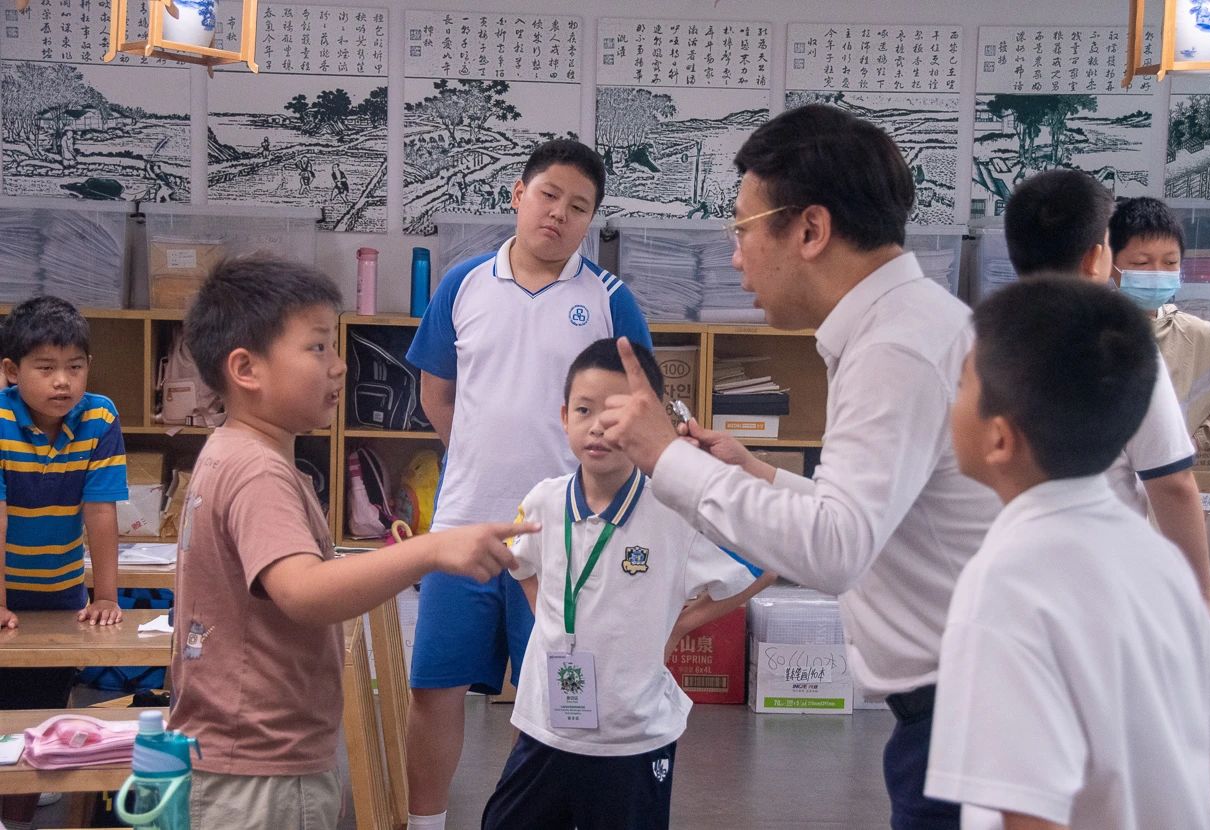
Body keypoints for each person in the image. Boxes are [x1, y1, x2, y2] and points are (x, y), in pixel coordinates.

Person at [599, 104, 1000, 829]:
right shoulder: (908, 324)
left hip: (968, 717)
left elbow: (835, 548)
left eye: (742, 230)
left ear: (810, 230)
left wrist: (664, 457)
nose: (735, 258)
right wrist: (753, 472)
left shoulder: (894, 348)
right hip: (965, 704)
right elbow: (883, 515)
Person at [168, 255, 535, 830]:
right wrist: (430, 549)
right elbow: (305, 592)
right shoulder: (258, 472)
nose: (339, 366)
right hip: (262, 773)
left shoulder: (229, 452)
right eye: (317, 348)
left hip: (238, 759)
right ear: (246, 369)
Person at [924, 277, 1210, 830]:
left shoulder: (1005, 584)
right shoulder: (1158, 562)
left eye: (962, 386)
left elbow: (1027, 809)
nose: (952, 403)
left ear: (1000, 438)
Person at [403, 138, 651, 830]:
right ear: (518, 194)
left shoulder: (609, 299)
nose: (559, 214)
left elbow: (638, 408)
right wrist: (482, 457)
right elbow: (435, 394)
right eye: (548, 195)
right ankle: (425, 823)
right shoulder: (463, 283)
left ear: (591, 221)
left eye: (579, 207)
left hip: (563, 539)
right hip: (462, 525)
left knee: (546, 702)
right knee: (434, 688)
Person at [481, 339, 772, 830]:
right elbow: (520, 564)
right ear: (564, 417)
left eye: (615, 413)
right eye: (584, 410)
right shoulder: (543, 502)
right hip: (545, 725)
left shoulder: (674, 510)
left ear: (647, 423)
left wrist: (680, 626)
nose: (597, 426)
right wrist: (554, 624)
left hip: (633, 737)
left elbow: (764, 565)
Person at [1003, 170, 1210, 596]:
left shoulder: (980, 340)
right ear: (1097, 258)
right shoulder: (1119, 347)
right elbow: (1171, 484)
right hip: (1099, 586)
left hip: (1005, 580)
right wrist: (1197, 600)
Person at [0, 296, 128, 830]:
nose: (62, 382)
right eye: (46, 368)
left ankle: (18, 817)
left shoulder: (99, 416)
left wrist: (106, 595)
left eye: (74, 367)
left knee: (40, 708)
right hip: (5, 591)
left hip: (59, 592)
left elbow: (101, 509)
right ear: (12, 371)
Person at [1110, 195, 1210, 451]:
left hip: (1166, 475)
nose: (1157, 272)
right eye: (1142, 263)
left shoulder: (1194, 336)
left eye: (1170, 262)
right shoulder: (1081, 333)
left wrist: (1202, 437)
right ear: (1108, 262)